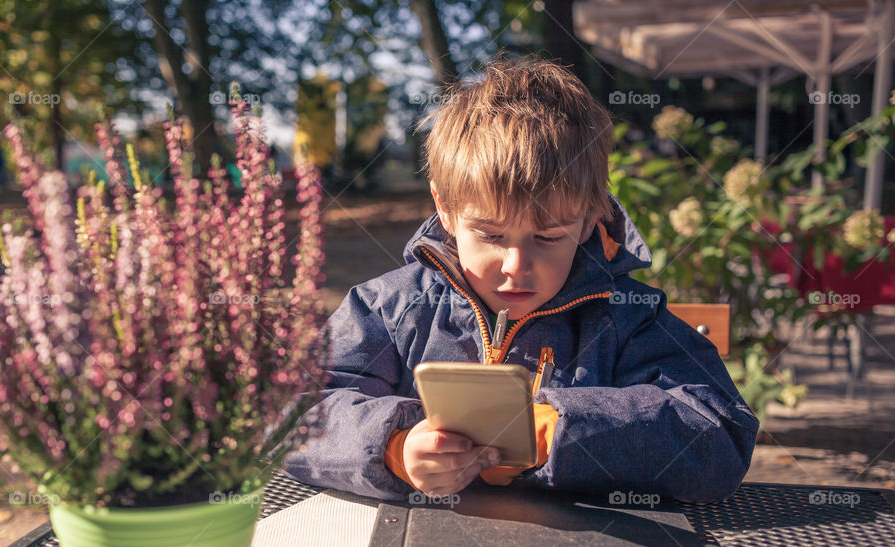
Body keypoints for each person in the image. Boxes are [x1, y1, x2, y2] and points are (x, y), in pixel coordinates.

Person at [283, 57, 758, 504]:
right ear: (444, 209)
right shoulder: (388, 308)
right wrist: (393, 446)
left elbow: (719, 432)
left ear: (592, 218)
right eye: (490, 234)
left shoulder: (626, 317)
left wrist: (558, 430)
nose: (515, 265)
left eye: (548, 237)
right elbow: (295, 413)